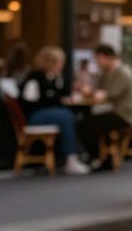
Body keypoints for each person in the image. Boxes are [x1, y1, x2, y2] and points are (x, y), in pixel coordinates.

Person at [18, 46, 88, 175]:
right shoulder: (35, 78)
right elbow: (30, 103)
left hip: (53, 114)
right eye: (59, 62)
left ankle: (74, 155)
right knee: (66, 116)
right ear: (50, 62)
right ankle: (71, 158)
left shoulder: (56, 78)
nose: (61, 66)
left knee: (69, 116)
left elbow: (62, 95)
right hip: (35, 116)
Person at [75, 44, 132, 170]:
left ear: (107, 57)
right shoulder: (106, 72)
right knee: (88, 121)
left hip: (124, 114)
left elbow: (109, 94)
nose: (97, 62)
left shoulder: (122, 72)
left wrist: (94, 93)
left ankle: (96, 157)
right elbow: (98, 90)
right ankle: (102, 157)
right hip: (112, 111)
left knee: (86, 124)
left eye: (98, 59)